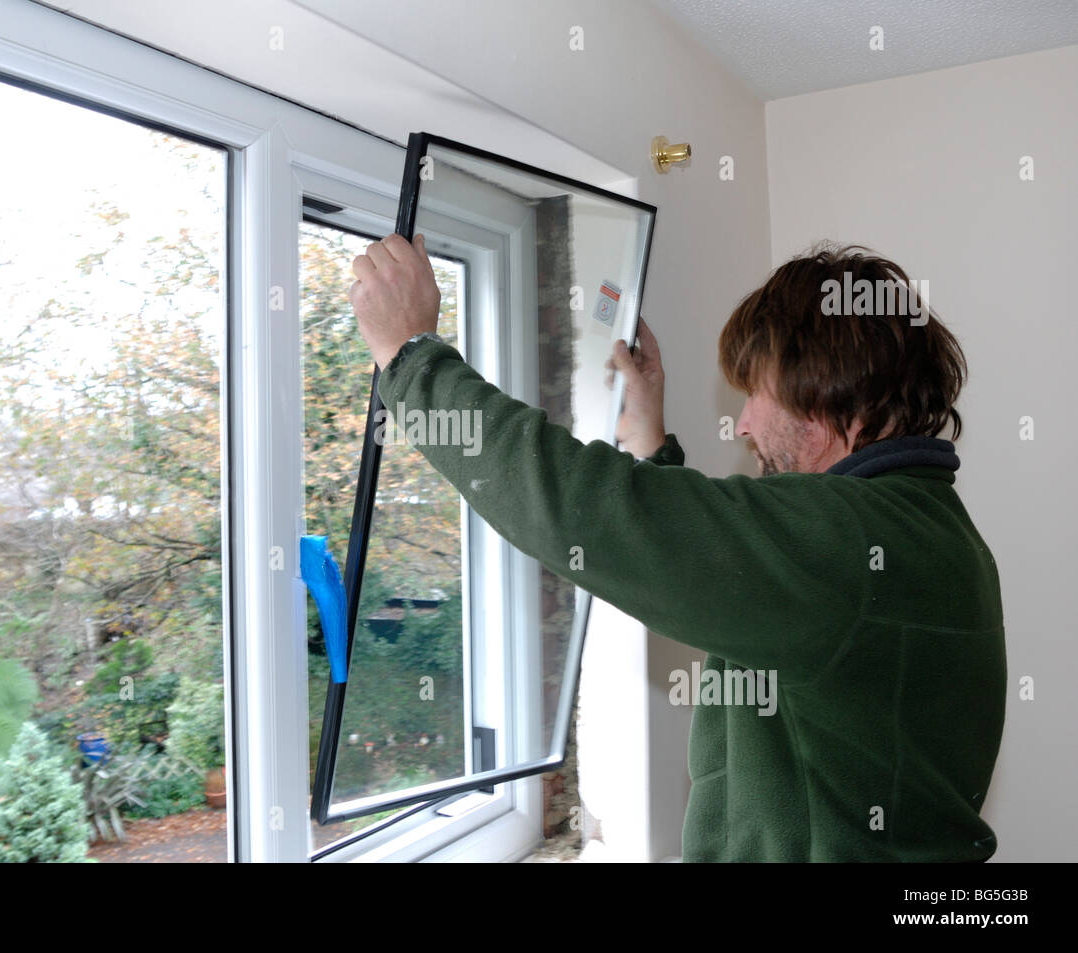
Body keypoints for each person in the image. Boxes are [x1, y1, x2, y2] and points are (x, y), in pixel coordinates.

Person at [349, 233, 1006, 862]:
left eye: (758, 393)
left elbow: (592, 514)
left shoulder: (848, 540)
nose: (744, 421)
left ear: (827, 397)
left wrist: (413, 358)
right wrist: (648, 434)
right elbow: (716, 563)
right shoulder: (932, 530)